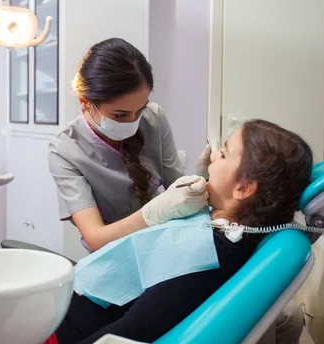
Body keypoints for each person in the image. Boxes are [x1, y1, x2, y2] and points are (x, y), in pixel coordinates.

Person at [47, 119, 313, 344]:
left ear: (243, 189)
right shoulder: (220, 228)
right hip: (66, 299)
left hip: (60, 327)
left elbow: (133, 331)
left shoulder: (205, 253)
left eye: (225, 153)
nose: (214, 154)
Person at [48, 37, 213, 254]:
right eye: (120, 114)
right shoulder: (65, 150)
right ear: (85, 101)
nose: (133, 122)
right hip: (114, 257)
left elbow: (178, 188)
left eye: (140, 109)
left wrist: (202, 183)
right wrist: (154, 212)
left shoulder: (154, 117)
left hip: (164, 245)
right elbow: (96, 238)